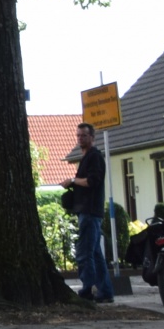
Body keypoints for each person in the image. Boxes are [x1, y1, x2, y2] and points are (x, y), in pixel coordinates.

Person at [65, 122, 113, 302]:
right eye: (78, 135)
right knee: (95, 253)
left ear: (92, 137)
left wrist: (73, 181)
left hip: (90, 211)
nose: (80, 139)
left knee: (85, 252)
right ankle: (105, 291)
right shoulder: (87, 157)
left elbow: (92, 181)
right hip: (87, 211)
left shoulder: (94, 157)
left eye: (84, 135)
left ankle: (87, 291)